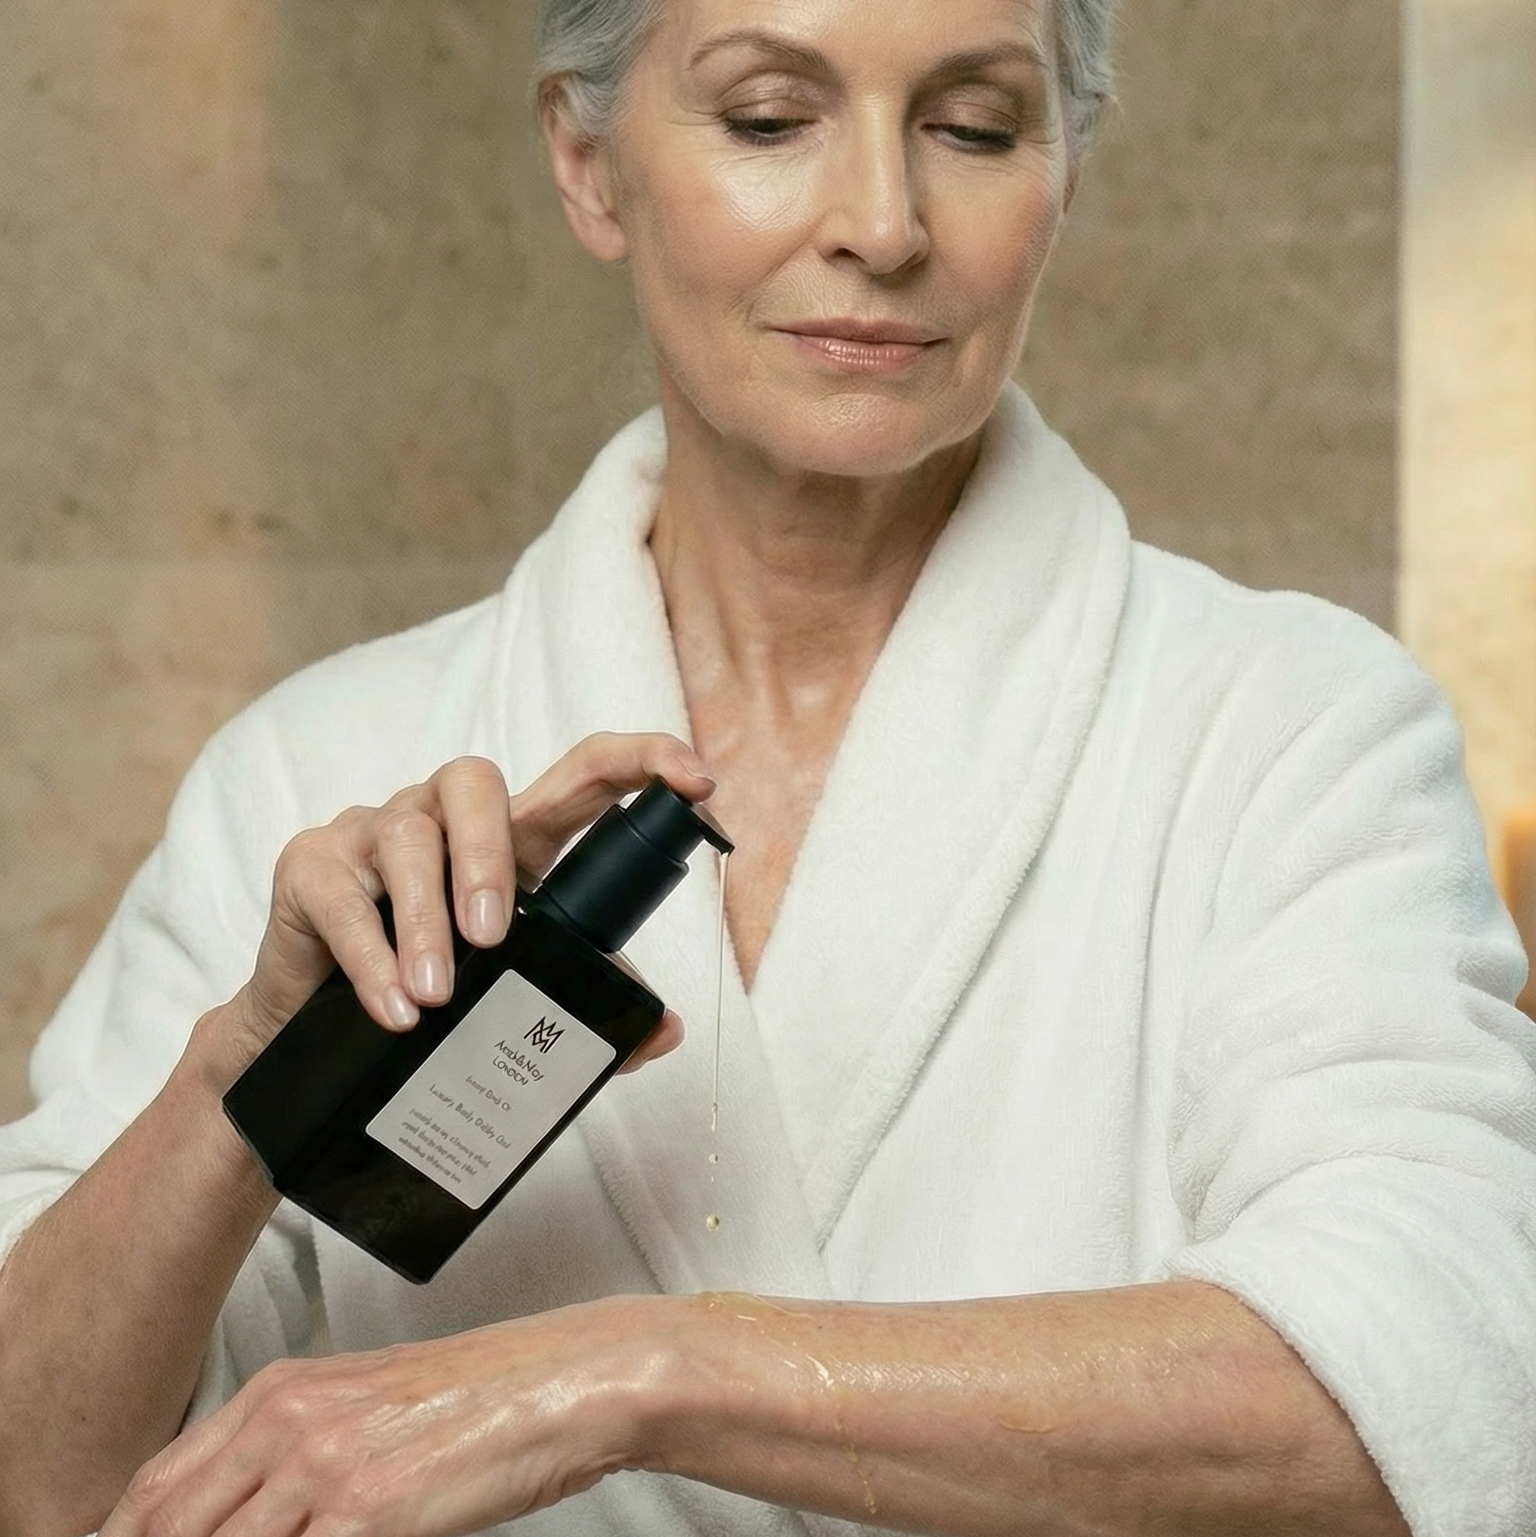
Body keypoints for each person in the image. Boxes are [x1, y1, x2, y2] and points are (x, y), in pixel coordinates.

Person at [0, 0, 1532, 1531]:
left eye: (975, 128)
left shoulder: (1288, 735)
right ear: (588, 163)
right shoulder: (313, 772)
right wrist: (244, 1085)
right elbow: (38, 1480)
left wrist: (638, 1375)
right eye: (768, 119)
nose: (883, 222)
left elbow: (1439, 1390)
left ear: (1067, 172)